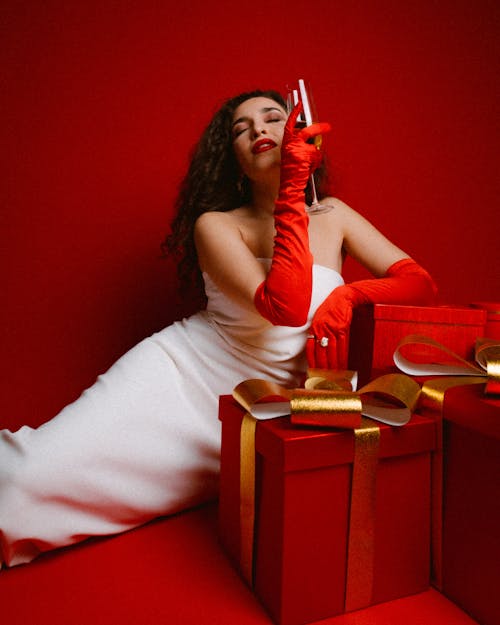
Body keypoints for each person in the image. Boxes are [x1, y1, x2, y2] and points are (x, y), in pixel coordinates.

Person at [0, 89, 436, 568]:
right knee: (29, 480)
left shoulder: (335, 217)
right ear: (233, 160)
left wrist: (348, 296)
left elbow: (419, 283)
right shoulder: (216, 224)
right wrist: (291, 188)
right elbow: (285, 306)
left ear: (301, 133)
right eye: (241, 129)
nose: (259, 131)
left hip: (254, 413)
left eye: (274, 119)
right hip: (183, 375)